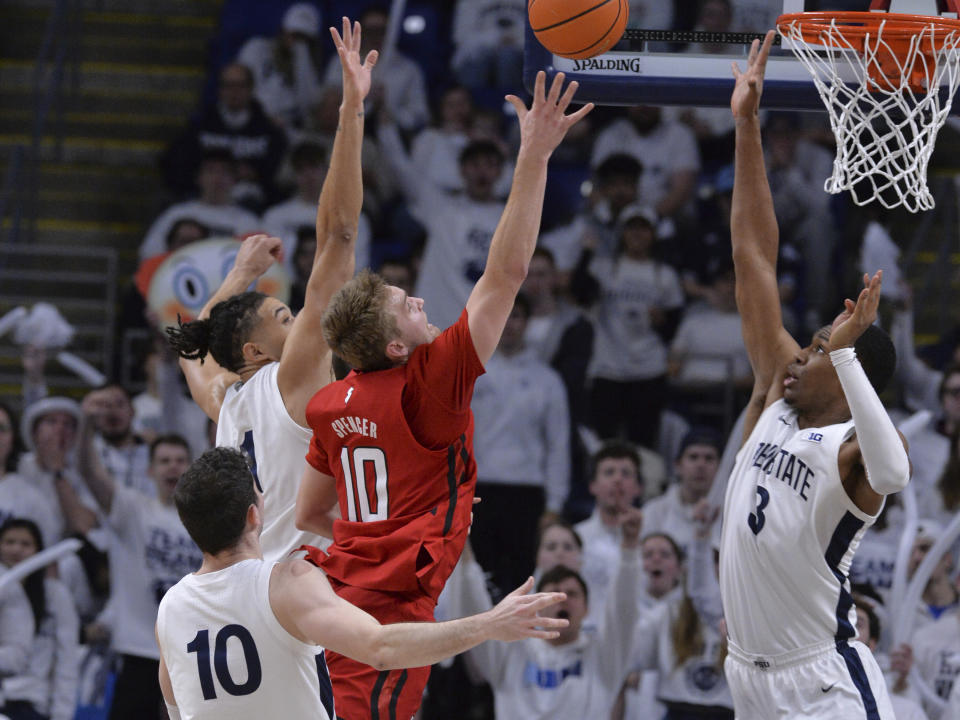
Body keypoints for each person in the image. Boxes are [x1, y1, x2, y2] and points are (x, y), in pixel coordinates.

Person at [295, 70, 593, 720]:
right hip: (394, 608)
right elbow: (506, 273)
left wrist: (406, 516)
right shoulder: (430, 380)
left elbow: (312, 513)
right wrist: (535, 155)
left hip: (343, 587)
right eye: (407, 304)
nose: (422, 300)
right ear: (397, 347)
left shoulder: (330, 403)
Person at [719, 32, 909, 719]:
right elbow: (754, 260)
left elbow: (894, 475)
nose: (801, 353)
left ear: (855, 372)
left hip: (821, 681)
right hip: (748, 675)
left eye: (821, 348)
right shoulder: (777, 390)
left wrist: (848, 351)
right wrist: (746, 127)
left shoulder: (854, 453)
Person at [166, 19, 376, 563]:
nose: (301, 322)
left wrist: (240, 275)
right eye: (285, 318)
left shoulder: (225, 401)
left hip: (247, 589)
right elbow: (339, 235)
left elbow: (190, 343)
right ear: (256, 352)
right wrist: (351, 111)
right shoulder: (293, 376)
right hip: (297, 596)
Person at [156, 447, 568, 720]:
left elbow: (178, 710)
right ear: (253, 515)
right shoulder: (286, 582)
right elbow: (381, 648)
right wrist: (488, 624)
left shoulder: (170, 610)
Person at [442, 509, 644, 720]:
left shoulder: (603, 656)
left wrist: (630, 548)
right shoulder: (511, 650)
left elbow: (624, 609)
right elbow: (477, 609)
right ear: (536, 605)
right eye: (552, 595)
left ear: (587, 608)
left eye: (572, 594)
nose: (562, 600)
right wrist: (462, 544)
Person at [73, 425, 202, 720]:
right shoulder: (133, 508)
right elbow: (89, 473)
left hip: (190, 654)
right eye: (164, 461)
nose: (173, 467)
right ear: (150, 471)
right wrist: (86, 423)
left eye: (180, 460)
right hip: (138, 652)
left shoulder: (207, 519)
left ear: (192, 468)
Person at [470, 295, 571, 595]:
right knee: (477, 583)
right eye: (506, 316)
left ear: (527, 323)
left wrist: (554, 503)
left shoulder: (547, 380)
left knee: (521, 584)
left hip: (526, 494)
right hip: (478, 491)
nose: (510, 325)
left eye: (517, 317)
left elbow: (558, 445)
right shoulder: (472, 374)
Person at [160, 62, 287, 206]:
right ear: (220, 89)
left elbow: (278, 173)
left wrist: (256, 174)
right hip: (204, 198)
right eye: (228, 85)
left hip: (256, 202)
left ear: (251, 89)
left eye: (240, 85)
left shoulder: (268, 129)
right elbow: (177, 163)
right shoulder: (201, 125)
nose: (234, 92)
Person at [0, 519, 79, 720]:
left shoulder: (56, 595)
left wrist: (62, 714)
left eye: (26, 544)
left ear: (39, 550)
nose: (16, 549)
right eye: (9, 542)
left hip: (32, 704)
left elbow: (67, 659)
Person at [139, 150, 261, 261]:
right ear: (199, 177)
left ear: (235, 179)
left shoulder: (248, 222)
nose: (217, 178)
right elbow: (149, 253)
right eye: (211, 170)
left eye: (225, 172)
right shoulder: (177, 214)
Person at [235, 2, 324, 128]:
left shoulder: (308, 65)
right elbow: (240, 84)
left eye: (302, 37)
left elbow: (308, 104)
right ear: (283, 31)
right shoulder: (256, 48)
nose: (295, 41)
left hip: (288, 124)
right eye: (293, 34)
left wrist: (301, 56)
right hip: (253, 117)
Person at [642, 428, 723, 554]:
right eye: (693, 457)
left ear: (720, 467)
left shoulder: (731, 513)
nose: (701, 465)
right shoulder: (653, 512)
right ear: (678, 465)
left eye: (709, 458)